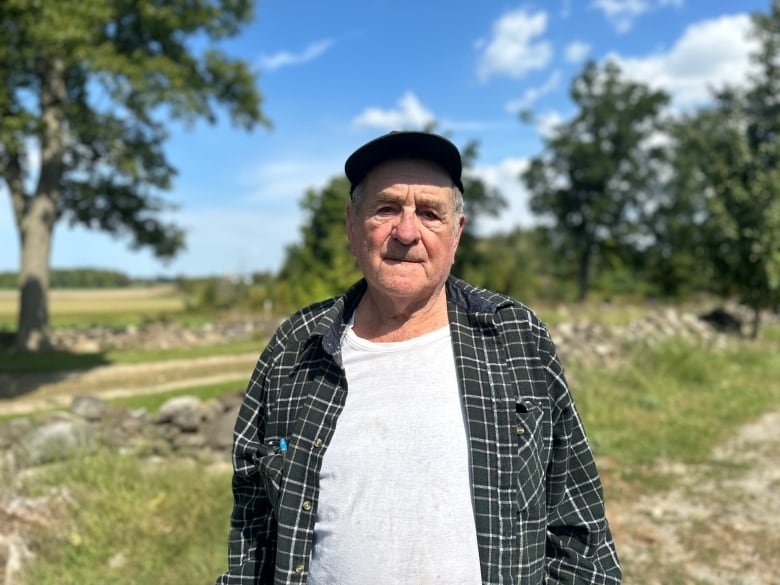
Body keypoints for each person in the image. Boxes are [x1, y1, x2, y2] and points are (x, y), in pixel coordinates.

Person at [215, 131, 622, 585]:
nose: (406, 233)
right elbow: (253, 530)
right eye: (386, 208)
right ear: (352, 224)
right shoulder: (296, 347)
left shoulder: (516, 338)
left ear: (456, 233)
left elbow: (578, 529)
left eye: (429, 213)